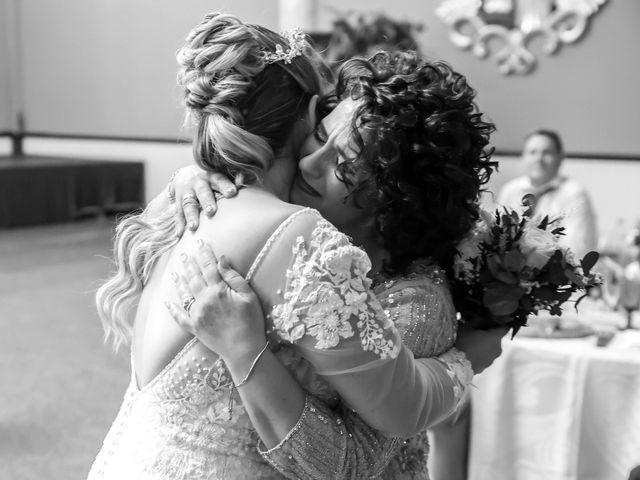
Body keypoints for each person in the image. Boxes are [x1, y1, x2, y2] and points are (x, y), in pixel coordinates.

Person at [88, 13, 501, 480]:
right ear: (310, 116)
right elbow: (400, 407)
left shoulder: (204, 209)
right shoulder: (285, 230)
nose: (311, 163)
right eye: (321, 137)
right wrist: (468, 356)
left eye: (342, 165)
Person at [498, 129, 598, 259]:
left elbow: (577, 248)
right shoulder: (510, 190)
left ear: (560, 157)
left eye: (547, 153)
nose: (538, 159)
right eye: (532, 152)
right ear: (523, 156)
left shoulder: (574, 194)